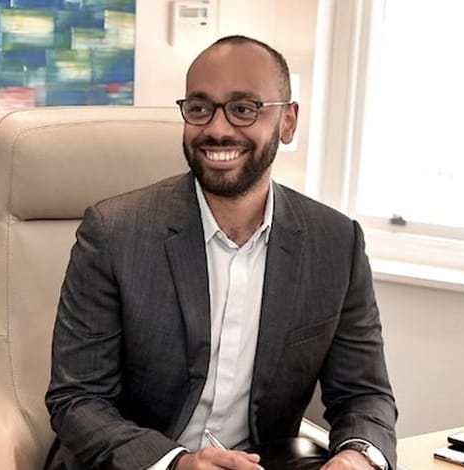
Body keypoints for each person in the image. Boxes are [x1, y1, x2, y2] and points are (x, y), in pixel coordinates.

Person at [45, 35, 397, 470]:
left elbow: (364, 394)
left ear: (287, 122)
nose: (217, 128)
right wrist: (176, 463)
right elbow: (77, 399)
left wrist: (357, 457)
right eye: (199, 108)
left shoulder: (336, 243)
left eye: (243, 109)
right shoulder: (114, 232)